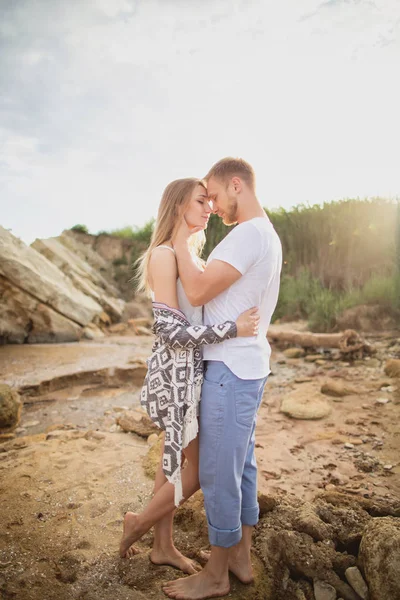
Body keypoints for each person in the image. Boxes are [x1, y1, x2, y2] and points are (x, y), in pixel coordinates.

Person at [119, 177, 260, 576]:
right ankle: (141, 523)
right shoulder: (164, 255)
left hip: (192, 372)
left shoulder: (187, 255)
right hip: (175, 374)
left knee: (172, 462)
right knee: (194, 469)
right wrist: (232, 330)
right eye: (201, 201)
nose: (210, 207)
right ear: (179, 204)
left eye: (209, 201)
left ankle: (162, 547)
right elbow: (167, 329)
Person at [162, 158, 282, 600]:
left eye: (214, 194)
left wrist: (178, 237)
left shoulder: (248, 233)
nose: (212, 204)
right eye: (204, 198)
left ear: (237, 185)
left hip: (231, 369)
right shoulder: (266, 234)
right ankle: (241, 559)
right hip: (247, 365)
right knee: (242, 466)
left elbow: (195, 291)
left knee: (217, 473)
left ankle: (215, 575)